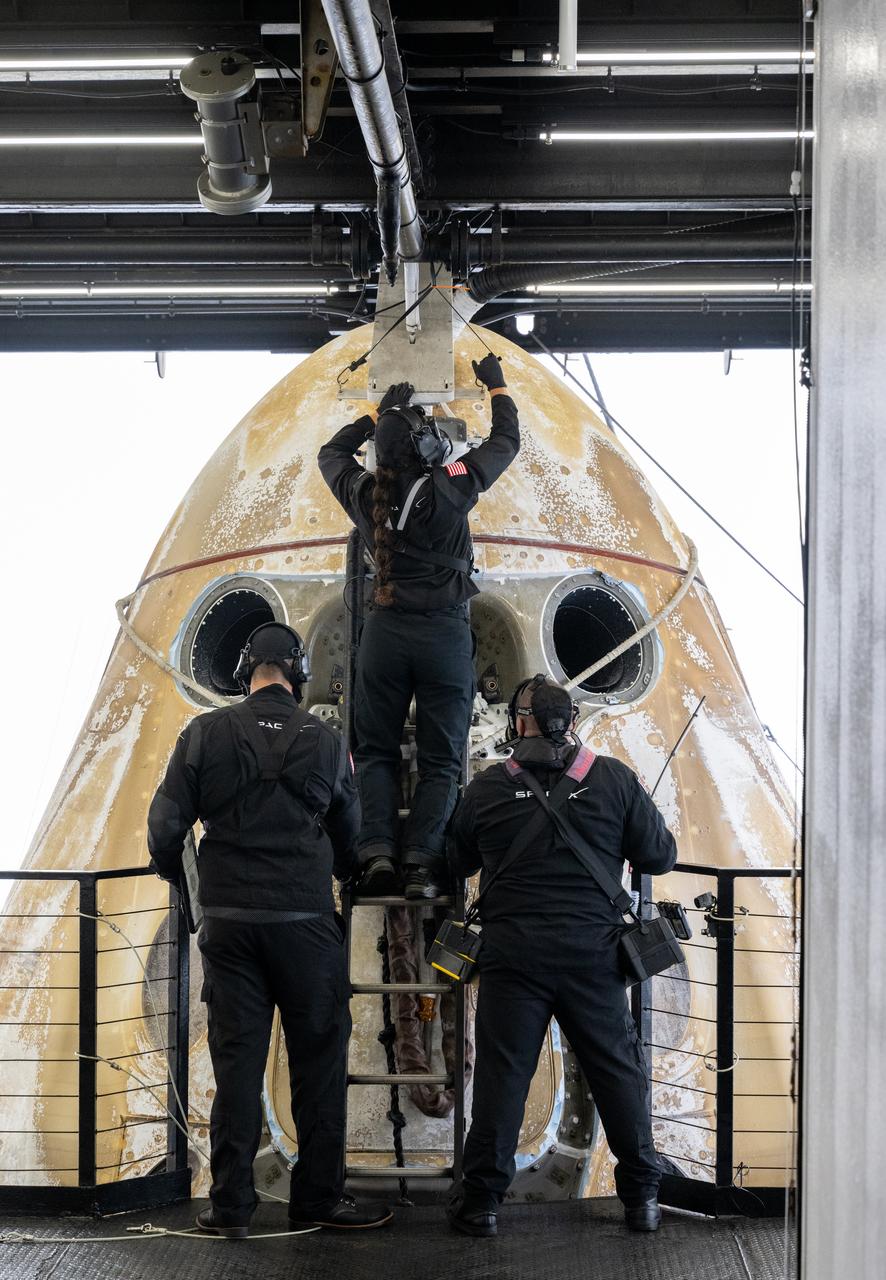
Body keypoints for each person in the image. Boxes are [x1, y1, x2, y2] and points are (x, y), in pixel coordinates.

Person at [147, 621, 392, 1236]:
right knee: (318, 1067)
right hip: (305, 926)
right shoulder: (328, 741)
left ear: (245, 672)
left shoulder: (203, 734)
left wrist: (193, 891)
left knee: (236, 1070)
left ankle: (230, 1206)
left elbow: (164, 831)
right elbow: (350, 839)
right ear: (299, 674)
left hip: (230, 929)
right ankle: (318, 1200)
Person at [447, 675, 677, 1238]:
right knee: (618, 1074)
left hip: (512, 959)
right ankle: (642, 1200)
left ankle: (481, 1205)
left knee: (503, 1082)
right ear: (569, 722)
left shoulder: (487, 789)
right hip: (594, 960)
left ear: (520, 724)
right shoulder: (614, 780)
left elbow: (453, 859)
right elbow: (660, 855)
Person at [317, 353, 520, 900]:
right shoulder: (450, 487)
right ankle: (422, 864)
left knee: (376, 751)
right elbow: (506, 443)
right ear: (427, 449)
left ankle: (378, 852)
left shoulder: (366, 497)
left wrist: (372, 417)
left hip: (385, 637)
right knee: (440, 758)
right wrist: (495, 386)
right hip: (442, 637)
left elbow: (331, 455)